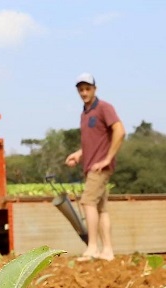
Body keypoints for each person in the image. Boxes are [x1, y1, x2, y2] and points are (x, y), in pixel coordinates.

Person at [65, 73, 125, 261]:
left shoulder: (104, 108)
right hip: (90, 164)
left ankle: (92, 247)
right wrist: (79, 153)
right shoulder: (85, 113)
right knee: (101, 209)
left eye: (87, 88)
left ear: (95, 89)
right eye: (81, 89)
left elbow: (120, 130)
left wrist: (108, 159)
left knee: (87, 202)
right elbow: (93, 140)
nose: (84, 92)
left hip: (99, 168)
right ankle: (107, 251)